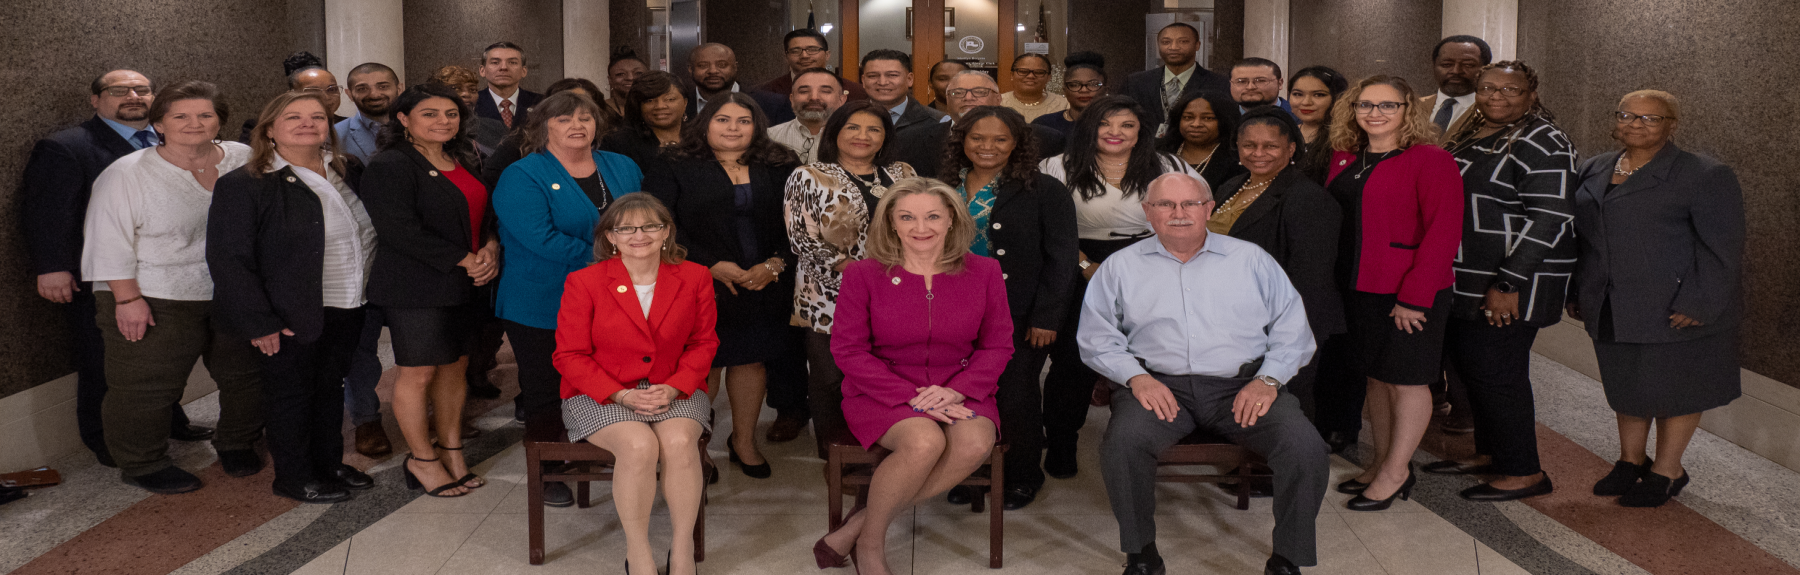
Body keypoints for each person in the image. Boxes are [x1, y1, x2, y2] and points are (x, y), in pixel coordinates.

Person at [1079, 172, 1327, 575]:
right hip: (1158, 386)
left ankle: (1287, 558)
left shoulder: (1252, 260)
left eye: (1190, 204)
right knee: (1123, 444)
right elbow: (1096, 337)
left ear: (1209, 209)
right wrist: (1135, 378)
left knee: (1305, 447)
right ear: (1147, 212)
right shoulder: (1119, 267)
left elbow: (1292, 330)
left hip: (1242, 387)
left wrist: (1267, 380)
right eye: (1165, 205)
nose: (1178, 213)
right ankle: (1141, 554)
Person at [812, 178, 1012, 575]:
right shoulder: (864, 274)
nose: (922, 228)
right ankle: (871, 545)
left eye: (933, 216)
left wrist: (957, 392)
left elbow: (997, 347)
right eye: (908, 217)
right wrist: (910, 396)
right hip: (881, 390)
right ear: (891, 224)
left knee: (974, 444)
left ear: (953, 220)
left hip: (961, 386)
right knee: (923, 442)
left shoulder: (985, 271)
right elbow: (848, 350)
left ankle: (858, 525)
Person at [22, 69, 209, 468]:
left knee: (161, 357)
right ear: (95, 100)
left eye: (141, 89)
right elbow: (48, 212)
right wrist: (52, 266)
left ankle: (170, 420)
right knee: (104, 358)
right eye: (118, 90)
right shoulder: (67, 146)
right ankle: (105, 439)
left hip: (162, 274)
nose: (132, 95)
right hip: (101, 277)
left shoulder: (168, 140)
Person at [81, 80, 262, 493]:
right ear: (158, 123)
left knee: (245, 375)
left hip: (233, 292)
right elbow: (108, 240)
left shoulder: (244, 158)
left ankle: (237, 442)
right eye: (179, 116)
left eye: (205, 115)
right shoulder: (127, 174)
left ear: (220, 121)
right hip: (153, 295)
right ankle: (142, 463)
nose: (193, 124)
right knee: (146, 388)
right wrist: (127, 299)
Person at [1571, 90, 1743, 508]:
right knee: (1626, 383)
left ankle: (1668, 469)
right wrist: (1578, 290)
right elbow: (1583, 239)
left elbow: (1724, 247)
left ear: (1672, 125)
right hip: (1611, 301)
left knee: (1676, 388)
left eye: (1651, 118)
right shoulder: (1595, 167)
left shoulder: (1703, 174)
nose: (1636, 124)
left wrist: (1699, 302)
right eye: (1628, 115)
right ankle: (1631, 461)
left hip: (1674, 304)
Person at [208, 91, 379, 504]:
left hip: (347, 302)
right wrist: (260, 321)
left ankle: (328, 463)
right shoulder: (246, 183)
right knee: (290, 396)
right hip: (288, 312)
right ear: (270, 129)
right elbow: (229, 259)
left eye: (317, 117)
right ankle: (294, 475)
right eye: (293, 117)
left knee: (328, 388)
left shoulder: (345, 168)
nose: (308, 124)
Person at [1422, 62, 1575, 502]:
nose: (1498, 96)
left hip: (1510, 282)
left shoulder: (1543, 140)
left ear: (1531, 91)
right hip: (1468, 275)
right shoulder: (1475, 129)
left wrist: (1508, 283)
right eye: (1489, 88)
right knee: (1473, 371)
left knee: (1498, 373)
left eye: (1511, 89)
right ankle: (1490, 454)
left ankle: (1524, 471)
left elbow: (1550, 217)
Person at [493, 91, 646, 506]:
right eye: (563, 120)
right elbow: (539, 238)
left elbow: (643, 217)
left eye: (585, 118)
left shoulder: (623, 166)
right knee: (545, 388)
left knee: (604, 380)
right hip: (542, 299)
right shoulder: (522, 175)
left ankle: (609, 452)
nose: (577, 125)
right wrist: (620, 256)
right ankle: (548, 471)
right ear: (543, 127)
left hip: (614, 299)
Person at [1037, 95, 1202, 478]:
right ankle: (1062, 440)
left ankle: (1150, 438)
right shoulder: (1056, 166)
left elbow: (1193, 216)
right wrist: (1084, 265)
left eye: (1126, 125)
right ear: (1087, 127)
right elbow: (1048, 226)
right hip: (1077, 262)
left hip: (1152, 262)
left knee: (1152, 353)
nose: (1115, 133)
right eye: (1105, 124)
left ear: (1141, 130)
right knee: (1072, 360)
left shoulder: (1169, 165)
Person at [554, 193, 717, 575]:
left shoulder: (695, 276)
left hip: (674, 386)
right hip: (600, 391)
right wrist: (620, 393)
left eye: (650, 226)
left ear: (666, 232)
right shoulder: (584, 282)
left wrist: (676, 386)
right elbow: (569, 355)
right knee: (639, 445)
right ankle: (639, 551)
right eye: (626, 228)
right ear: (610, 236)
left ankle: (681, 552)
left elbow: (704, 343)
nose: (638, 235)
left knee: (679, 442)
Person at [1323, 75, 1464, 511]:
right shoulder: (1348, 158)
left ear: (1408, 109)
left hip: (1407, 291)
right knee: (1376, 378)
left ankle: (1397, 470)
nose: (1375, 113)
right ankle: (1380, 460)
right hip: (1357, 286)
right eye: (1366, 105)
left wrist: (1415, 297)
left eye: (1387, 105)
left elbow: (1444, 234)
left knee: (1407, 379)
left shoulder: (1431, 160)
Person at [642, 93, 800, 479]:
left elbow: (797, 225)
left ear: (757, 126)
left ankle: (743, 441)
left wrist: (774, 264)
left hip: (764, 281)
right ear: (705, 123)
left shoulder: (780, 163)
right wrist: (709, 265)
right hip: (696, 281)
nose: (733, 128)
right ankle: (696, 448)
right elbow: (658, 223)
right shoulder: (674, 163)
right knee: (702, 366)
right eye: (723, 120)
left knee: (751, 359)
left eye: (743, 121)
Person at [360, 84, 501, 498]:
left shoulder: (460, 158)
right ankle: (421, 459)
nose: (444, 121)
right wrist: (465, 258)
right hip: (415, 285)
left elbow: (484, 215)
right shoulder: (389, 165)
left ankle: (452, 449)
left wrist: (490, 246)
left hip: (466, 282)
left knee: (455, 366)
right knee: (419, 371)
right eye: (430, 114)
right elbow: (398, 229)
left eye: (451, 114)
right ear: (404, 119)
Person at [939, 106, 1079, 509]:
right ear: (961, 141)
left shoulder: (1044, 189)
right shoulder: (942, 185)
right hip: (951, 313)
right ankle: (966, 471)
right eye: (977, 138)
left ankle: (1022, 475)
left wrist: (1047, 317)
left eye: (1000, 139)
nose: (987, 146)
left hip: (1018, 314)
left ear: (1017, 144)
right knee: (960, 394)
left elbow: (1062, 258)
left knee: (1014, 395)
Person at [784, 101, 918, 458]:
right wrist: (852, 269)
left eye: (873, 129)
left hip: (896, 292)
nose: (863, 136)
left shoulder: (903, 173)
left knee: (884, 371)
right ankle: (834, 453)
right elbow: (801, 238)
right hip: (829, 294)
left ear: (885, 137)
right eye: (853, 128)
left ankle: (883, 444)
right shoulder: (809, 175)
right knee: (831, 377)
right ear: (836, 134)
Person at [1208, 105, 1345, 422]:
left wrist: (1289, 334)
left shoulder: (1307, 197)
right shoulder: (1232, 186)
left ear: (1291, 148)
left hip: (1285, 320)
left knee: (1286, 405)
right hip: (1232, 314)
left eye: (1270, 145)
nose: (1258, 153)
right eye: (1249, 145)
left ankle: (1295, 466)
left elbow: (1312, 279)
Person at [892, 71, 1065, 179]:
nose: (968, 98)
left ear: (998, 98)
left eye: (980, 92)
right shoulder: (910, 139)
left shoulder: (1045, 139)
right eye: (958, 93)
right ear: (947, 100)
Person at [483, 79, 613, 190]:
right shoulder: (516, 148)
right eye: (566, 110)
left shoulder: (611, 153)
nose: (576, 124)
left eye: (584, 114)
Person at [1122, 22, 1232, 135]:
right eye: (1166, 42)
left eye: (1183, 41)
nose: (1173, 47)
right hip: (1146, 150)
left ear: (1197, 45)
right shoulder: (1135, 82)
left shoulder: (1219, 84)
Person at [755, 28, 868, 124]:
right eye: (795, 51)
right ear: (786, 57)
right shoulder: (767, 92)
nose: (804, 55)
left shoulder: (856, 92)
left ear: (827, 54)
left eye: (812, 50)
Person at [237, 53, 349, 142]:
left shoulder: (349, 126)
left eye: (332, 89)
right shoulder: (263, 127)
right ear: (291, 95)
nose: (325, 97)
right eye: (313, 91)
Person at [1155, 91, 1248, 190]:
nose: (1196, 124)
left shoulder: (1238, 159)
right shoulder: (1157, 151)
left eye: (1208, 118)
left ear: (1224, 121)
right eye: (1188, 117)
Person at [600, 71, 688, 168]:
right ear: (638, 106)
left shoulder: (701, 138)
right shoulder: (617, 144)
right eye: (649, 100)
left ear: (685, 103)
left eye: (670, 99)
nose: (660, 106)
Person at [859, 50, 948, 144]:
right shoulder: (847, 117)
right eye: (873, 76)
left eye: (892, 75)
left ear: (909, 79)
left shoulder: (939, 121)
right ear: (863, 81)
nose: (882, 82)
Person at [767, 68, 848, 165]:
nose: (814, 97)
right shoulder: (769, 137)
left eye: (825, 91)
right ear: (792, 99)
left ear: (842, 100)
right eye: (804, 91)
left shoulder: (855, 139)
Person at [1288, 66, 1349, 186]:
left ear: (1338, 98)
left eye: (1319, 95)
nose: (1306, 102)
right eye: (1297, 94)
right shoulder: (1284, 133)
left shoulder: (1347, 139)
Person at [432, 65, 510, 156]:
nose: (466, 94)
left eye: (472, 90)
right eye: (456, 89)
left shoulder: (497, 127)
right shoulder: (429, 129)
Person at [335, 63, 401, 163]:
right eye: (362, 89)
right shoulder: (335, 135)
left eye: (383, 87)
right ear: (350, 94)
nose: (374, 94)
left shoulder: (419, 127)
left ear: (399, 89)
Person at [1424, 35, 1491, 131]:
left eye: (1468, 65)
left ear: (1486, 69)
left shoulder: (1493, 112)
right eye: (1447, 64)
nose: (1456, 71)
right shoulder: (1412, 107)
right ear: (1434, 66)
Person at [1031, 51, 1106, 135]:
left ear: (1106, 89)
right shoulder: (1044, 124)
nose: (1084, 90)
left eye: (1093, 84)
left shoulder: (1117, 125)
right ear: (1064, 90)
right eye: (1075, 85)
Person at [476, 41, 546, 129]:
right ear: (482, 71)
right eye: (495, 62)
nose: (503, 67)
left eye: (512, 62)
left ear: (523, 71)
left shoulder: (542, 103)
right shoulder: (471, 103)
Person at [1001, 53, 1068, 122]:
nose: (1031, 76)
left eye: (1039, 72)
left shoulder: (1064, 105)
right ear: (1012, 75)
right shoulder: (997, 102)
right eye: (1023, 71)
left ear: (1048, 77)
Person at [1229, 58, 1295, 117]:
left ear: (1280, 83)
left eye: (1260, 81)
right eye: (1241, 81)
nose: (1250, 87)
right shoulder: (1222, 118)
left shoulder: (1299, 117)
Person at [606, 46, 650, 117]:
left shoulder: (656, 109)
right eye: (621, 74)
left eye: (638, 73)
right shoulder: (598, 109)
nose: (630, 78)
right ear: (610, 80)